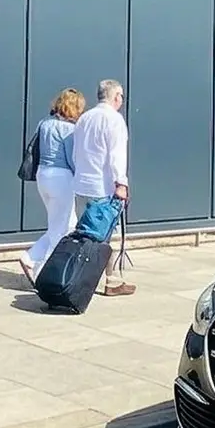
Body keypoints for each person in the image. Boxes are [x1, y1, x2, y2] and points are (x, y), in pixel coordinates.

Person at [69, 79, 135, 297]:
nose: (122, 100)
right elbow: (117, 155)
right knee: (105, 236)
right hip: (102, 187)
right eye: (121, 96)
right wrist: (121, 183)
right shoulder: (114, 120)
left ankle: (76, 277)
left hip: (81, 184)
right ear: (115, 96)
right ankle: (110, 280)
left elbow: (75, 153)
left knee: (84, 235)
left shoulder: (84, 118)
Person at [19, 88, 84, 281]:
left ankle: (30, 257)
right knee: (64, 229)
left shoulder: (44, 124)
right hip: (61, 178)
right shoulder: (69, 130)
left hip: (42, 176)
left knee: (57, 224)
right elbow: (72, 159)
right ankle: (43, 274)